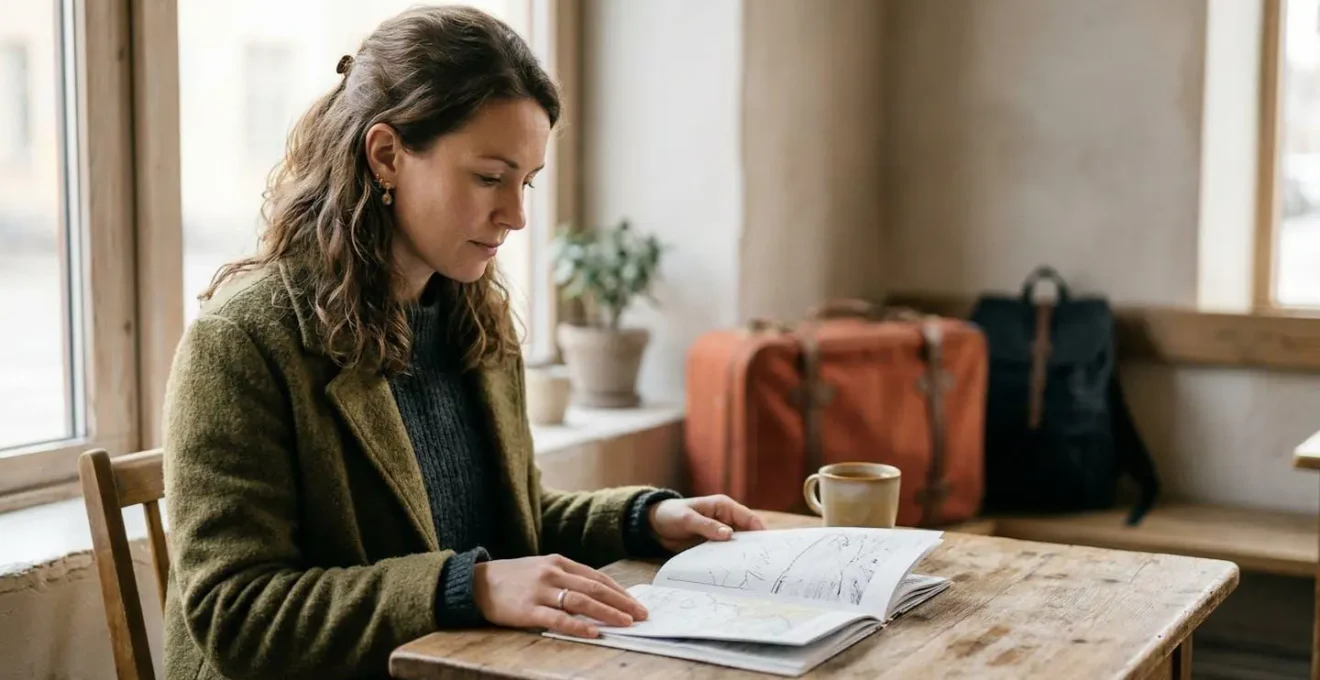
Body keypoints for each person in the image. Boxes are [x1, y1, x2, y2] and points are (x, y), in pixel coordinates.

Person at [160, 6, 764, 680]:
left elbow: (513, 522)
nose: (517, 215)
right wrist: (465, 587)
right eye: (488, 177)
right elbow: (235, 613)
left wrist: (644, 519)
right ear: (386, 156)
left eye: (526, 181)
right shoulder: (241, 342)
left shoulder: (471, 316)